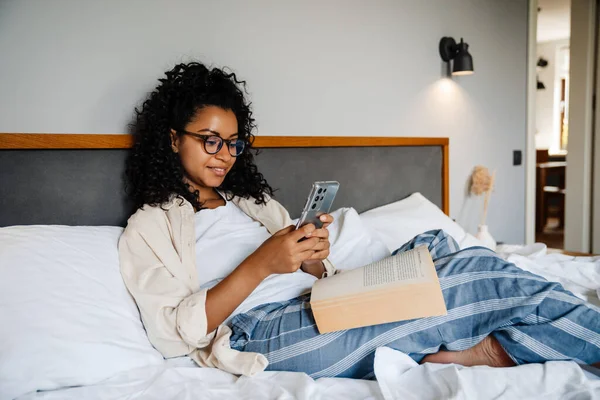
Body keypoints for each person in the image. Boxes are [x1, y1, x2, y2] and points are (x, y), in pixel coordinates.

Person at [119, 62, 600, 379]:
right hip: (261, 333)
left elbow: (303, 270)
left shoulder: (254, 204)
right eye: (209, 140)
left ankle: (484, 350)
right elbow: (169, 337)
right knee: (479, 274)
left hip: (321, 301)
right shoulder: (150, 227)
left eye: (233, 143)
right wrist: (262, 264)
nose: (224, 155)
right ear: (171, 139)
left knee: (438, 245)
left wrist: (310, 257)